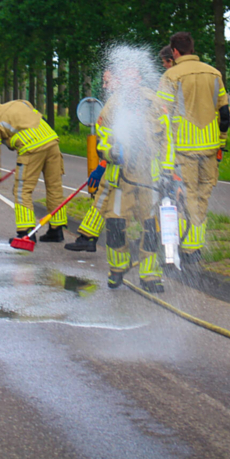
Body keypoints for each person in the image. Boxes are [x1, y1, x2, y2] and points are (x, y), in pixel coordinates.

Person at [157, 31, 229, 265]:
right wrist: (222, 142)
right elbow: (225, 114)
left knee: (183, 197)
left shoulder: (171, 75)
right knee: (201, 198)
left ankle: (182, 249)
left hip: (183, 149)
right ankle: (194, 248)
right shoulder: (214, 73)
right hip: (210, 148)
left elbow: (161, 115)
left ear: (175, 52)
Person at [92, 67, 165, 292]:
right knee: (115, 223)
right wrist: (111, 152)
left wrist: (170, 173)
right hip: (120, 179)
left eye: (134, 77)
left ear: (140, 79)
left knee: (151, 226)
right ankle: (117, 269)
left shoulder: (154, 103)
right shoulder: (113, 105)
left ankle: (150, 274)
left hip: (149, 179)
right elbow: (101, 139)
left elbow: (168, 139)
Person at [0, 99, 66, 243]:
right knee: (54, 187)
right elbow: (40, 118)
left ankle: (26, 233)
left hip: (31, 149)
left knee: (22, 191)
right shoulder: (21, 102)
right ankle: (56, 230)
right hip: (52, 142)